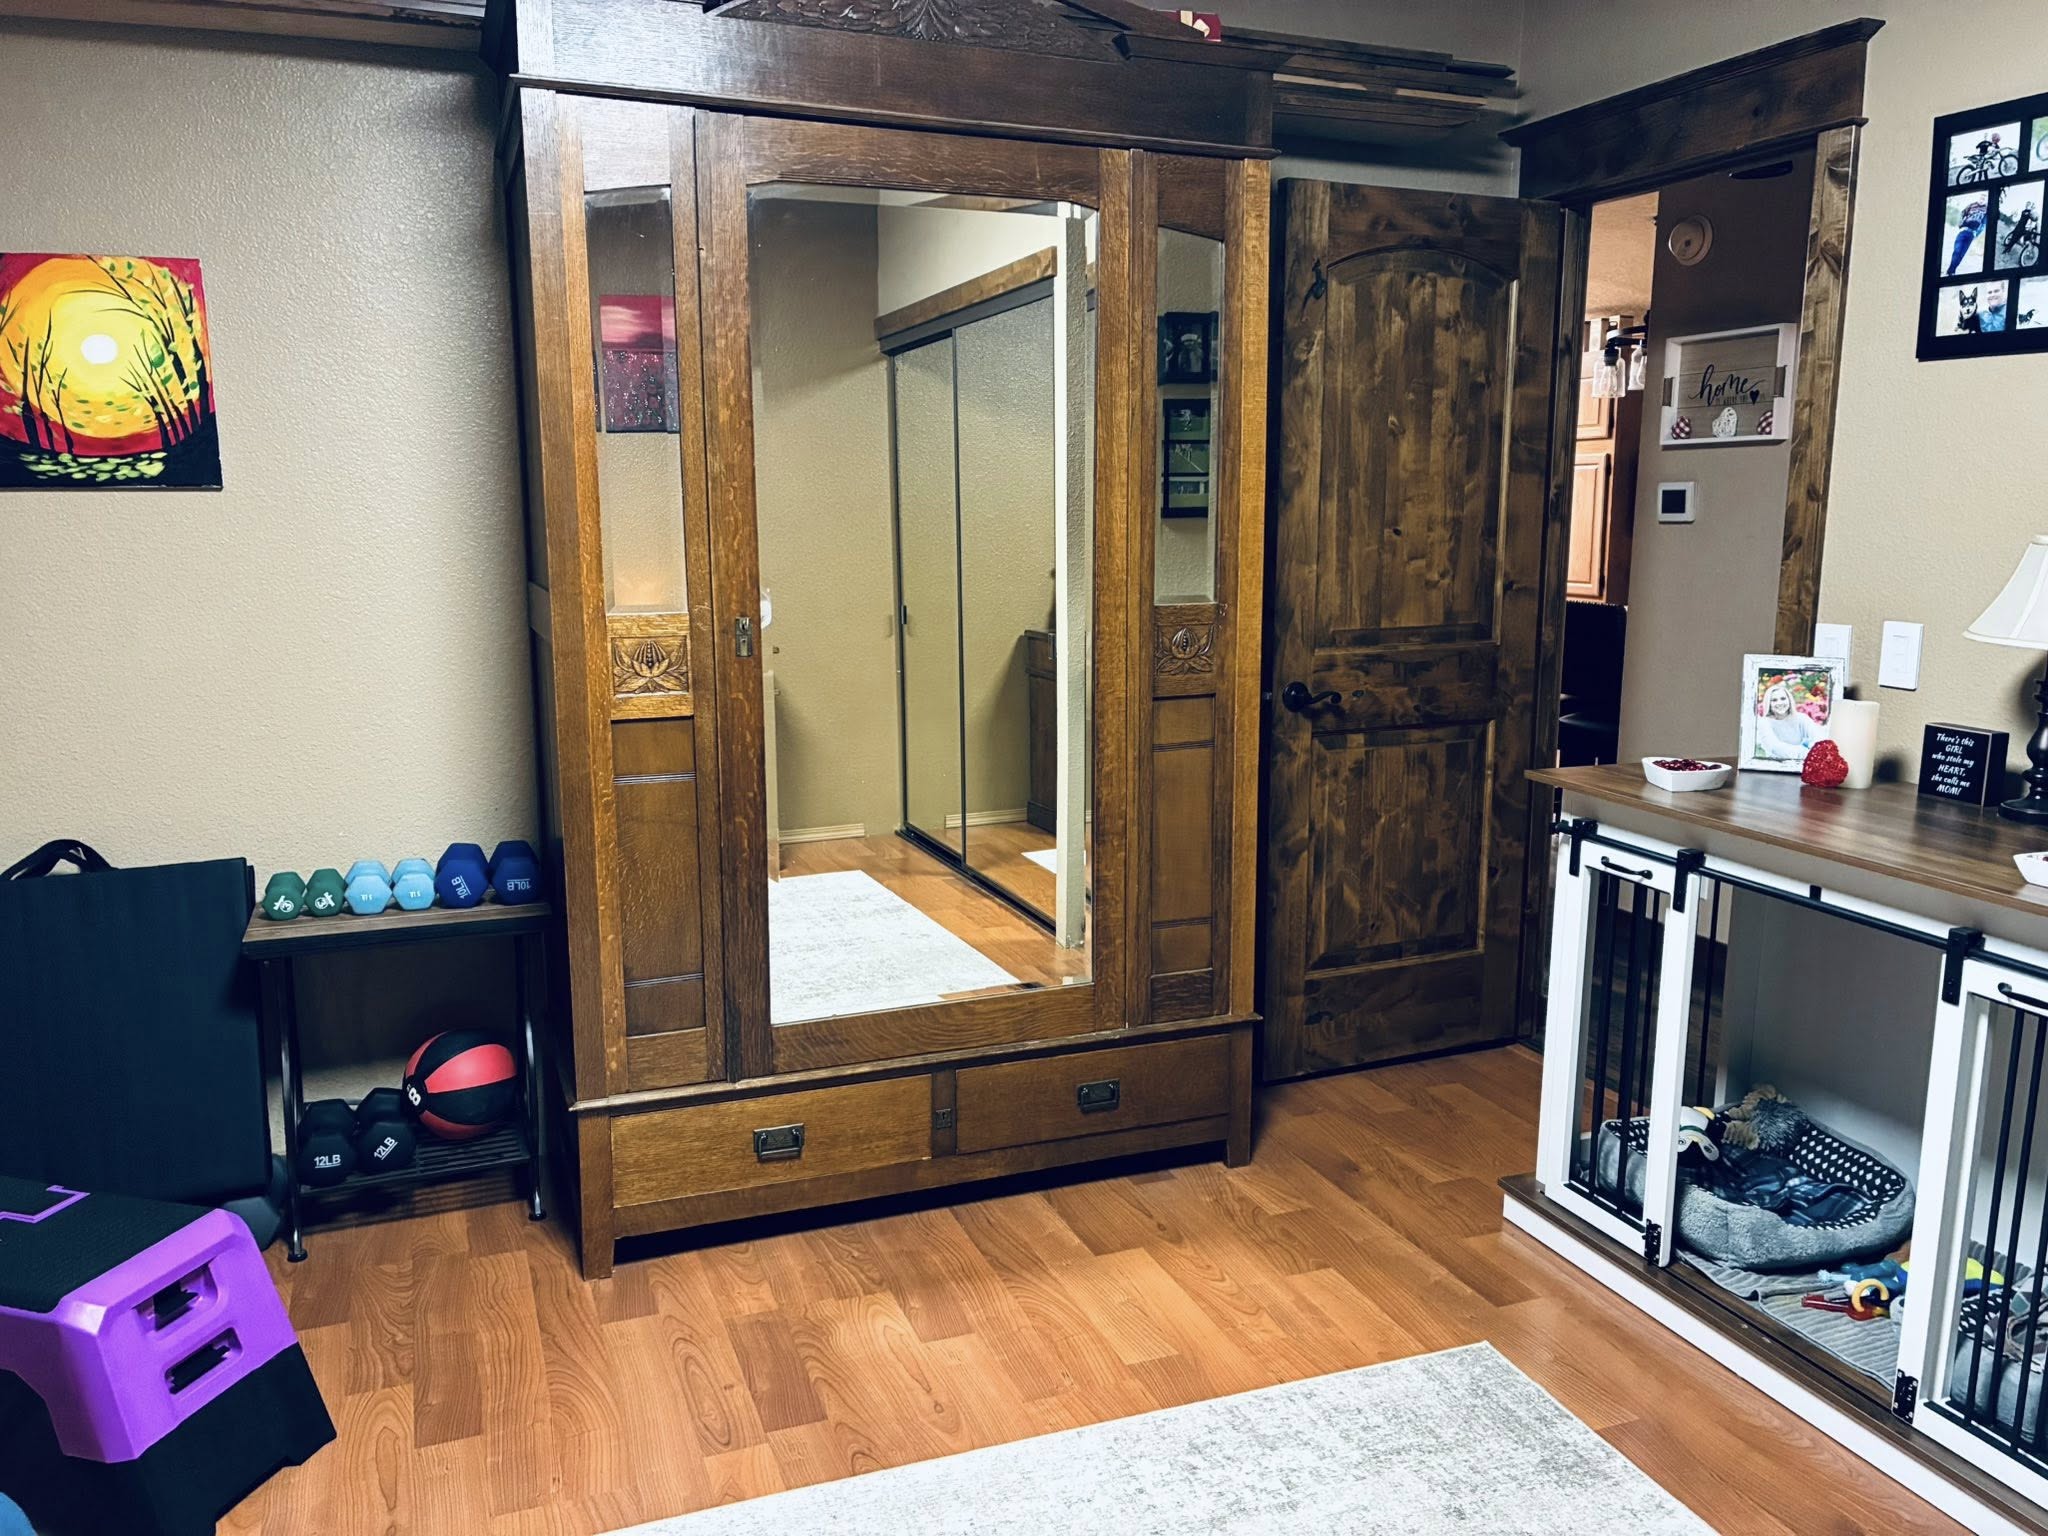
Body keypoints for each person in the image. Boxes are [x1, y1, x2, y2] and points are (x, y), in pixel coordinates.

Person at [1754, 679, 1822, 761]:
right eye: (1774, 700)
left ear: (1789, 700)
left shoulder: (1801, 718)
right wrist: (1806, 753)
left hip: (1800, 765)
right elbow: (1775, 748)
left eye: (1783, 699)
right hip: (1775, 766)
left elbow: (1819, 739)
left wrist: (1814, 749)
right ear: (1769, 703)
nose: (1780, 703)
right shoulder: (1764, 722)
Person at [1950, 197, 1988, 274]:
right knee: (1957, 251)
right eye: (1981, 198)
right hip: (1964, 230)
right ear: (1978, 198)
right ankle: (1951, 271)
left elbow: (1983, 224)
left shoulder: (1986, 210)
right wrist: (1960, 224)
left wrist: (1976, 234)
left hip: (1972, 234)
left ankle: (1952, 270)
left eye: (1984, 199)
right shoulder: (1971, 205)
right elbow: (1962, 213)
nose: (1982, 200)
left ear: (1986, 200)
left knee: (1962, 253)